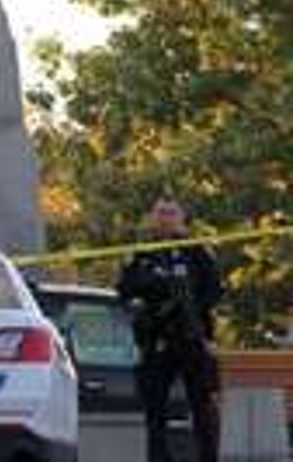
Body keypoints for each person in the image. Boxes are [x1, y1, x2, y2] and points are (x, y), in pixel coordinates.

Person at [117, 197, 223, 462]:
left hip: (191, 338)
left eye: (171, 213)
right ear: (152, 217)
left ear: (182, 217)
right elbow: (124, 291)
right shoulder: (142, 253)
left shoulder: (197, 251)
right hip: (156, 340)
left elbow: (214, 291)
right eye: (161, 213)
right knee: (155, 413)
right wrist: (150, 293)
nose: (166, 218)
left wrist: (191, 308)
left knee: (202, 410)